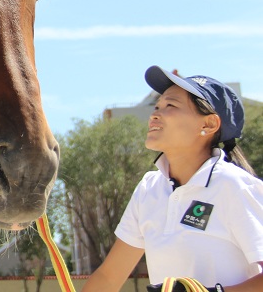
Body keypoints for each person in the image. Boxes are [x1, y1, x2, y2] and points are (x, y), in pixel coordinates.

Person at [82, 66, 263, 292]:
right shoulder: (149, 188)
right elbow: (109, 278)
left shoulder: (234, 186)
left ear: (208, 125)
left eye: (171, 106)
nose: (155, 114)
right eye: (156, 106)